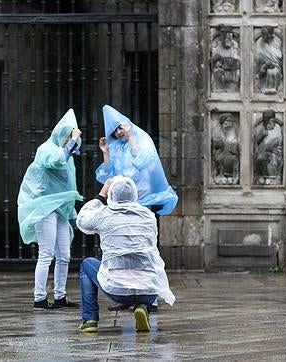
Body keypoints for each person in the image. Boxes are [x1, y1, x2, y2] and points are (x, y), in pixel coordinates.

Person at [76, 176, 175, 333]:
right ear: (134, 194)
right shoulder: (148, 216)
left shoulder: (103, 215)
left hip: (116, 289)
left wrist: (101, 195)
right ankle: (143, 306)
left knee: (87, 264)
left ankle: (90, 319)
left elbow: (82, 221)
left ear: (111, 194)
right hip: (149, 289)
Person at [17, 109, 83, 310]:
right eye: (68, 136)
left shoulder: (68, 156)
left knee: (64, 254)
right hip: (44, 207)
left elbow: (70, 186)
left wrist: (72, 214)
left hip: (61, 209)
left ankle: (60, 296)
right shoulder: (46, 149)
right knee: (46, 253)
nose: (70, 141)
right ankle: (39, 298)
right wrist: (71, 142)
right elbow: (55, 162)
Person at [96, 105, 178, 215]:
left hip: (141, 192)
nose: (119, 132)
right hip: (121, 195)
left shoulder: (142, 141)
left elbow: (142, 162)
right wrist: (105, 153)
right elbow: (106, 176)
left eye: (120, 128)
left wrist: (131, 138)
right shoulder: (115, 147)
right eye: (115, 130)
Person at [253, 111, 283, 185]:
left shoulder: (277, 128)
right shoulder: (262, 128)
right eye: (270, 121)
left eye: (273, 121)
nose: (272, 123)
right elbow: (257, 140)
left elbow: (279, 140)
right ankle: (260, 175)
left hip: (274, 150)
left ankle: (275, 177)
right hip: (264, 150)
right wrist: (263, 134)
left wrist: (271, 145)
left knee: (275, 159)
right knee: (259, 159)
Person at [255, 26, 282, 95]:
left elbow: (278, 57)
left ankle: (272, 88)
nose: (263, 36)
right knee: (263, 71)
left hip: (275, 67)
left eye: (264, 34)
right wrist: (264, 65)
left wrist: (272, 64)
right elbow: (258, 57)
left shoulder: (276, 43)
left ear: (269, 35)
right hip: (262, 68)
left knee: (272, 71)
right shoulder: (259, 44)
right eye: (262, 34)